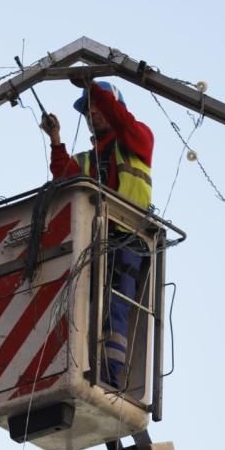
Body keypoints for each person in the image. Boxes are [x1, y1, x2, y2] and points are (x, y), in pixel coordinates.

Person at [40, 80, 154, 391]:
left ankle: (111, 376)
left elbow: (121, 121)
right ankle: (85, 370)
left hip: (128, 237)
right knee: (85, 307)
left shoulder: (138, 138)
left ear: (113, 107)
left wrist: (92, 84)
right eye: (87, 109)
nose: (91, 113)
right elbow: (66, 174)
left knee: (114, 305)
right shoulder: (89, 160)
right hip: (95, 243)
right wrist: (55, 139)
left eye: (96, 105)